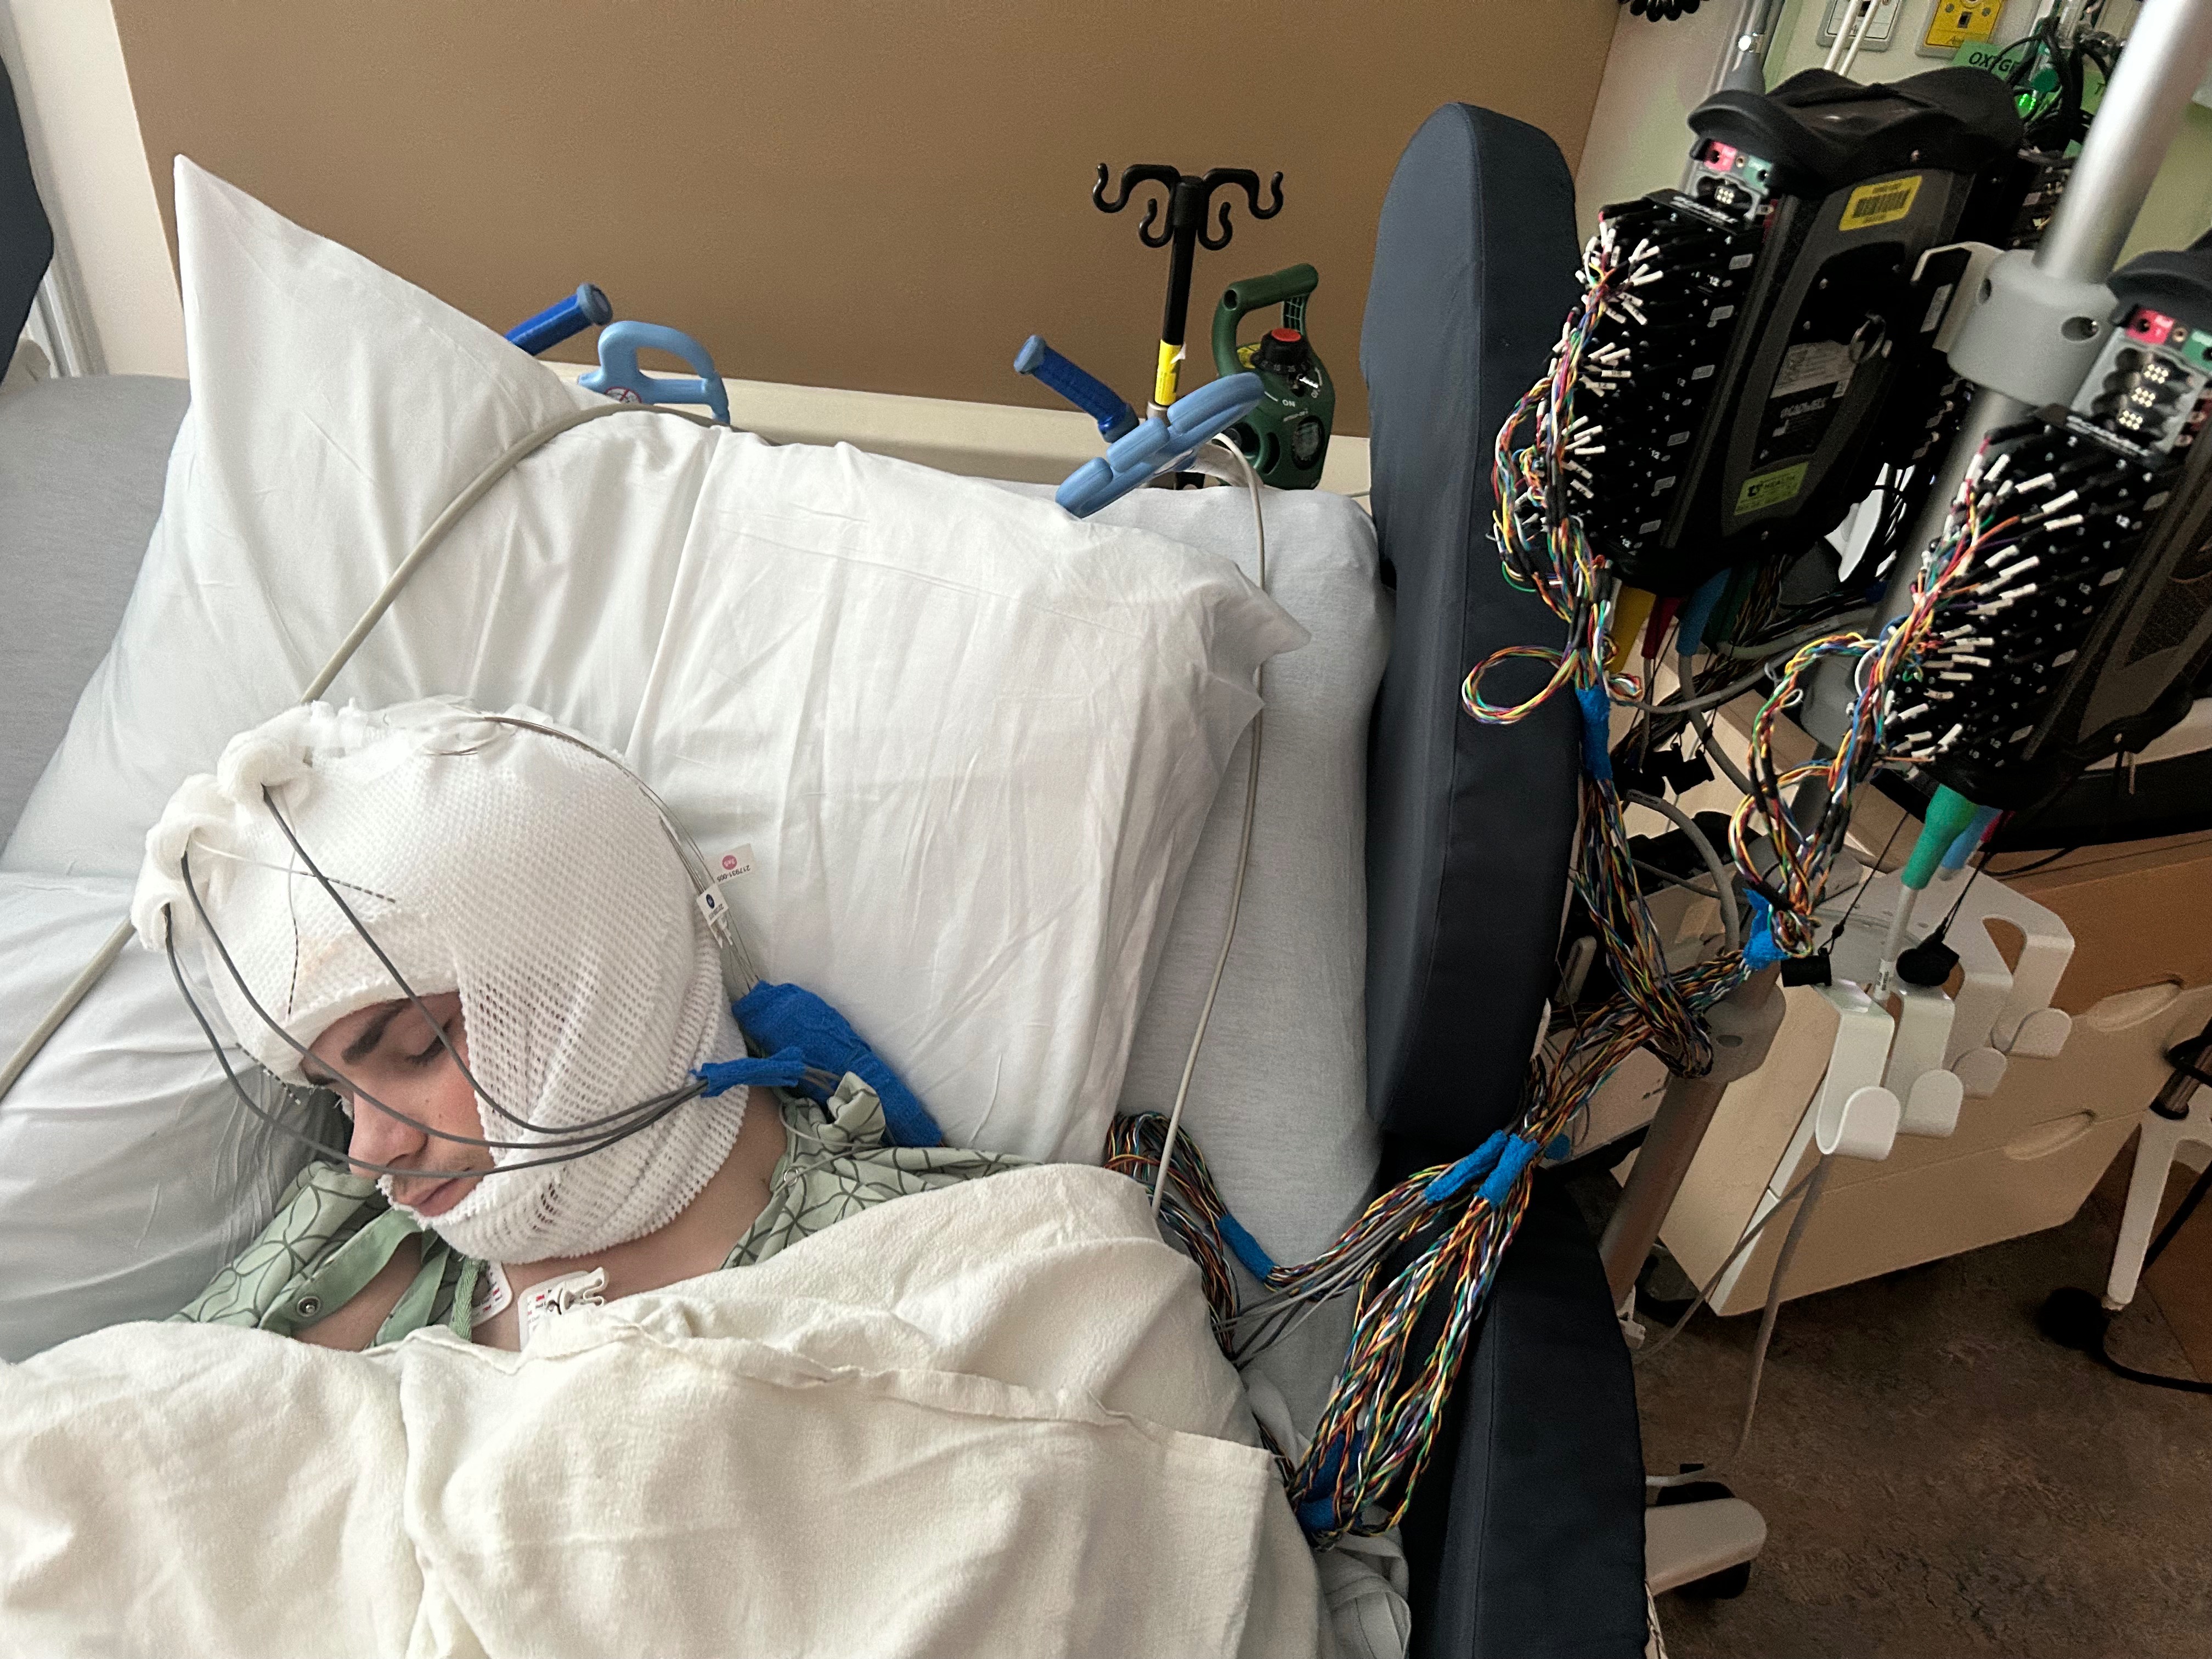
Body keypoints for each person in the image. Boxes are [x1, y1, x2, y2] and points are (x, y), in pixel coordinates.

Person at [135, 698, 1022, 1352]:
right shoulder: (338, 1239)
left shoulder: (959, 1262)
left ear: (597, 980)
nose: (371, 1155)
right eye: (337, 1092)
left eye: (418, 1047)